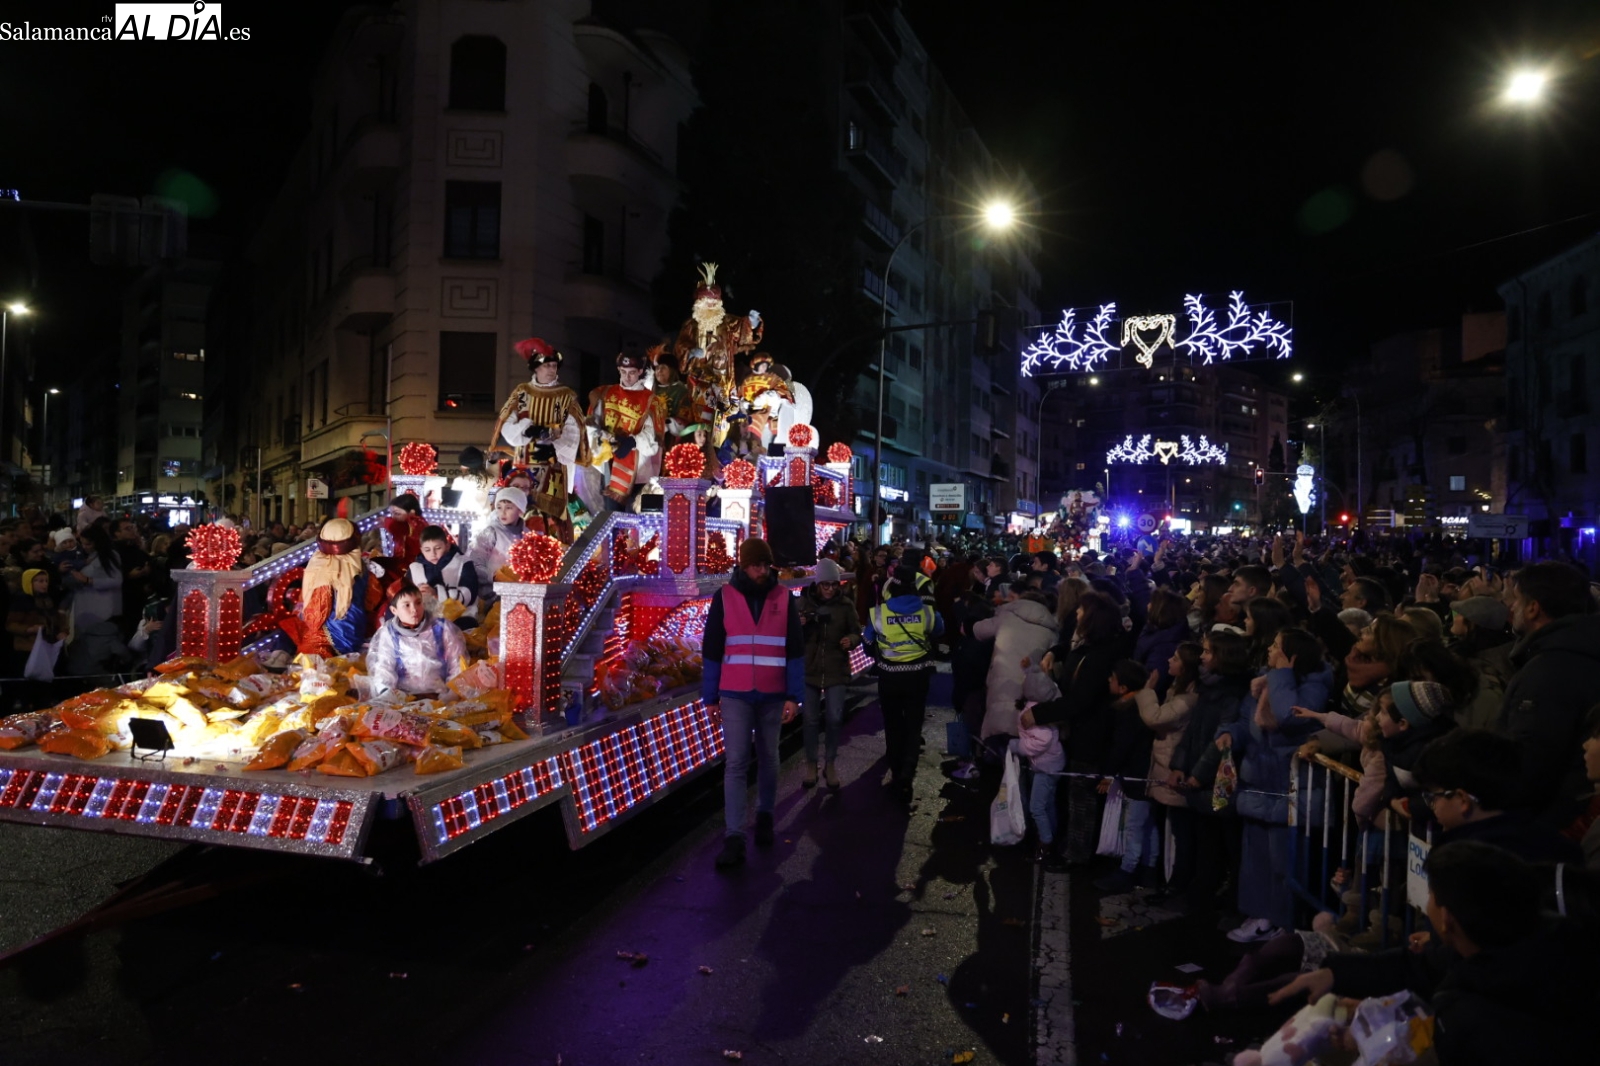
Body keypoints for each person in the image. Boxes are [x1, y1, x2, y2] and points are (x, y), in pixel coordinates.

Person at [1269, 841, 1599, 1065]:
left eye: (1431, 895)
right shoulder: (1534, 943)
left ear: (1446, 919)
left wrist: (1377, 1046)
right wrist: (1334, 973)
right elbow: (1419, 966)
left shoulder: (1476, 1015)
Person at [1222, 627, 1332, 942]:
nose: (1270, 649)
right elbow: (1246, 721)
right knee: (1256, 860)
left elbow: (1290, 716)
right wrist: (1230, 734)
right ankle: (1260, 916)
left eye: (1276, 646)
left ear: (1291, 656)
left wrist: (1282, 675)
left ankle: (1283, 923)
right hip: (1259, 783)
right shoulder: (1263, 682)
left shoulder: (1314, 685)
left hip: (1290, 787)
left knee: (1284, 862)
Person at [702, 537, 804, 870]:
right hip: (735, 692)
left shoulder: (783, 598)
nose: (762, 571)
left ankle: (764, 816)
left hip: (773, 693)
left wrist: (794, 695)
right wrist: (709, 697)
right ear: (743, 565)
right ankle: (734, 837)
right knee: (736, 763)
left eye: (765, 565)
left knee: (769, 757)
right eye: (756, 565)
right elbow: (712, 648)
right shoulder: (724, 597)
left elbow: (795, 649)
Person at [1025, 590, 1133, 864]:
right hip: (1082, 732)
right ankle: (1069, 845)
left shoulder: (1100, 656)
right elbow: (1072, 649)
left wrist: (1038, 714)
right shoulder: (1094, 645)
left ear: (1093, 618)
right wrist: (1054, 652)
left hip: (1091, 736)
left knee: (1081, 798)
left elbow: (1080, 700)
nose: (1077, 613)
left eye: (1082, 610)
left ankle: (1077, 855)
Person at [1496, 561, 1600, 821]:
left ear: (1533, 608)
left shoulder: (1550, 670)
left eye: (1517, 600)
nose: (1512, 607)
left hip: (1552, 820)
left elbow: (1532, 760)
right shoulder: (1580, 649)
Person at [1410, 728, 1581, 863]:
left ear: (1462, 800)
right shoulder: (1555, 845)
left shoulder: (1462, 864)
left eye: (1433, 797)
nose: (1432, 806)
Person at [488, 337, 590, 541]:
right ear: (536, 368)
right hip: (524, 464)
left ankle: (555, 551)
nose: (551, 369)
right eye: (546, 365)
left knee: (553, 517)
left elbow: (574, 430)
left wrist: (555, 448)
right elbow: (507, 425)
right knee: (522, 512)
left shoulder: (566, 395)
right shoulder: (522, 393)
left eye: (554, 366)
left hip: (555, 466)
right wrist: (526, 431)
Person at [863, 563, 944, 804]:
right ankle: (908, 773)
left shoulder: (879, 613)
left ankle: (897, 772)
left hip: (889, 678)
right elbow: (939, 630)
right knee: (913, 724)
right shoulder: (927, 612)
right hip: (918, 678)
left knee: (893, 724)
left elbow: (868, 644)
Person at [1095, 659, 1160, 892]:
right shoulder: (1144, 707)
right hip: (1148, 774)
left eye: (1113, 678)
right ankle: (1149, 870)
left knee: (1135, 825)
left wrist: (1108, 773)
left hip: (1138, 775)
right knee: (1148, 824)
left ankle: (1128, 871)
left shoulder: (1129, 712)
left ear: (1123, 687)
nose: (1108, 680)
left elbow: (1122, 746)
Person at [1142, 642, 1203, 888]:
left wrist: (1147, 691)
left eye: (1176, 658)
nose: (1169, 660)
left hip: (1173, 768)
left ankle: (1177, 882)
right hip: (1164, 765)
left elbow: (1154, 717)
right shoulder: (1176, 692)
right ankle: (1164, 878)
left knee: (1180, 831)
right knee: (1166, 827)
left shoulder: (1187, 700)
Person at [798, 558, 859, 791]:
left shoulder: (845, 606)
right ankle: (811, 764)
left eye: (834, 584)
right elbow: (789, 634)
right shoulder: (803, 603)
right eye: (826, 584)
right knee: (810, 719)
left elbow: (856, 631)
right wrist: (800, 623)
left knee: (834, 718)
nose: (830, 589)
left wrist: (851, 640)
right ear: (817, 583)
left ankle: (830, 763)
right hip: (809, 669)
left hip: (836, 668)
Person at [974, 581, 1059, 742]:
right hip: (1031, 688)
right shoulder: (1051, 631)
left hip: (1002, 680)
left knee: (999, 727)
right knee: (1023, 737)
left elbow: (979, 630)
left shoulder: (1007, 616)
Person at [582, 351, 664, 513]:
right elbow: (592, 427)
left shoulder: (651, 400)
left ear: (640, 371)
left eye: (632, 372)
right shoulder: (604, 393)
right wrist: (601, 441)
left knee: (635, 521)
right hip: (609, 470)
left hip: (640, 473)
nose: (627, 377)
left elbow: (654, 437)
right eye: (623, 372)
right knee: (612, 520)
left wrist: (633, 441)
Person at [280, 517, 370, 657]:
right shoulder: (360, 565)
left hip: (332, 637)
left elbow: (315, 617)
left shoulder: (323, 568)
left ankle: (279, 657)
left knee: (292, 628)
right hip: (357, 629)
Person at [366, 581, 469, 700]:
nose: (414, 609)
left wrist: (451, 693)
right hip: (404, 698)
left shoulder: (442, 628)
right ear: (394, 610)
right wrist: (388, 694)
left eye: (418, 603)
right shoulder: (389, 633)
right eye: (407, 605)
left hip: (440, 695)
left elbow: (457, 663)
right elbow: (384, 668)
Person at [1011, 662, 1065, 867]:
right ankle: (1053, 837)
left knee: (1036, 807)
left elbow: (1042, 741)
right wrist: (1029, 668)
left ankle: (1045, 844)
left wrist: (1017, 746)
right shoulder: (1047, 705)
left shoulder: (1033, 712)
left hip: (1046, 767)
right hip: (1052, 764)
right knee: (1048, 803)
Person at [468, 486, 530, 601]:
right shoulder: (490, 532)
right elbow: (475, 563)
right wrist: (493, 576)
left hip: (520, 593)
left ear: (520, 510)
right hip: (491, 594)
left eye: (509, 508)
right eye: (499, 507)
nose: (503, 512)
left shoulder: (527, 535)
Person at [408, 525, 479, 621]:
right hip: (425, 621)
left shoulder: (463, 563)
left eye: (438, 548)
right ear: (421, 550)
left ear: (447, 546)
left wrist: (437, 593)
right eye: (427, 550)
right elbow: (405, 596)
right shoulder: (414, 568)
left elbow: (469, 594)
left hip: (461, 618)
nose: (433, 554)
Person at [68, 521, 123, 633]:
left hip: (103, 611)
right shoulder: (83, 556)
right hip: (87, 610)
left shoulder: (109, 556)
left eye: (88, 544)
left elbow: (117, 580)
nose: (84, 547)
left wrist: (89, 581)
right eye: (82, 543)